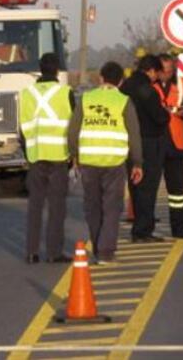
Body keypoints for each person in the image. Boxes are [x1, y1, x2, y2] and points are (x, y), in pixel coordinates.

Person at [68, 62, 144, 264]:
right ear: (121, 81)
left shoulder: (86, 99)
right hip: (114, 163)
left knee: (92, 206)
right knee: (112, 207)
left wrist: (74, 155)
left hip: (89, 161)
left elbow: (73, 131)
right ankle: (106, 252)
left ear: (100, 78)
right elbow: (134, 134)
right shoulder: (124, 101)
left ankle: (97, 246)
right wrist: (137, 162)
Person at [19, 53, 75, 264]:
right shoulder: (65, 92)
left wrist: (28, 154)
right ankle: (54, 252)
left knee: (35, 205)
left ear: (40, 69)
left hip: (35, 155)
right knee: (56, 206)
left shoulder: (27, 93)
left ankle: (32, 252)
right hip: (59, 156)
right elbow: (73, 127)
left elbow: (22, 128)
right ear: (58, 70)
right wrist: (73, 154)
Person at [120, 54, 170, 243]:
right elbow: (159, 116)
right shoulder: (147, 90)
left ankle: (139, 228)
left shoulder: (125, 87)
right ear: (151, 70)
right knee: (148, 187)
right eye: (157, 73)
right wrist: (166, 114)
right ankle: (143, 230)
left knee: (135, 185)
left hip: (128, 142)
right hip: (149, 142)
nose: (157, 77)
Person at [155, 54, 183, 239]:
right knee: (149, 189)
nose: (166, 74)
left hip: (175, 144)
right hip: (154, 142)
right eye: (163, 71)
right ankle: (145, 228)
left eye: (170, 71)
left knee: (177, 191)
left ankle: (179, 228)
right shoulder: (149, 85)